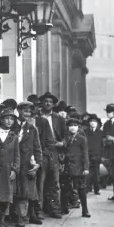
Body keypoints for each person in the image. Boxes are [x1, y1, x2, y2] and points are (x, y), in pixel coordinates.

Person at [13, 101, 42, 227]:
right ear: (18, 111)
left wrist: (38, 163)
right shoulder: (11, 125)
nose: (27, 114)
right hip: (13, 162)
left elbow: (37, 147)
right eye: (25, 111)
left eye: (29, 112)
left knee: (28, 190)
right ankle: (17, 216)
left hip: (27, 163)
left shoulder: (32, 128)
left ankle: (27, 216)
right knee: (16, 190)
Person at [39, 91, 65, 219]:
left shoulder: (58, 118)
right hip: (41, 151)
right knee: (40, 181)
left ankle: (54, 209)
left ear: (53, 104)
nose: (48, 103)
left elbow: (66, 136)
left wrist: (62, 143)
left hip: (54, 151)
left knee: (54, 182)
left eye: (50, 102)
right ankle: (39, 210)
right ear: (42, 103)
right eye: (45, 101)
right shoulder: (37, 117)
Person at [0, 109, 20, 227]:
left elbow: (17, 154)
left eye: (12, 119)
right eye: (7, 118)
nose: (9, 121)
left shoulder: (14, 136)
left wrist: (15, 169)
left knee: (5, 193)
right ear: (1, 119)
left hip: (7, 169)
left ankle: (2, 217)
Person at [60, 116, 91, 217]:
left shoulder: (82, 139)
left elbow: (85, 153)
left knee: (81, 189)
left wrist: (86, 168)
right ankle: (64, 208)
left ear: (78, 127)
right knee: (65, 189)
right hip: (66, 167)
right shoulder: (65, 138)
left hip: (78, 167)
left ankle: (85, 210)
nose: (73, 127)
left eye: (75, 125)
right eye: (70, 125)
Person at [86, 114, 103, 195]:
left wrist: (101, 156)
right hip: (87, 155)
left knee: (96, 173)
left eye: (95, 121)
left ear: (98, 123)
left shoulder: (101, 132)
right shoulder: (85, 132)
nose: (93, 123)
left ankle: (97, 189)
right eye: (91, 121)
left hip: (97, 155)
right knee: (87, 172)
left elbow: (102, 145)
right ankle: (88, 188)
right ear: (89, 122)